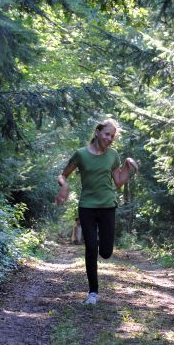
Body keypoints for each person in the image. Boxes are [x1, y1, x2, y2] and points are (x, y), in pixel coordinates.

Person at [55, 119, 138, 305]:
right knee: (91, 247)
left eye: (112, 136)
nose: (109, 139)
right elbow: (63, 174)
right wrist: (64, 186)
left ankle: (99, 247)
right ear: (98, 132)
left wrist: (127, 165)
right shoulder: (81, 155)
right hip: (87, 207)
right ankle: (93, 292)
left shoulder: (113, 155)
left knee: (106, 252)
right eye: (107, 134)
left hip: (108, 206)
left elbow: (118, 181)